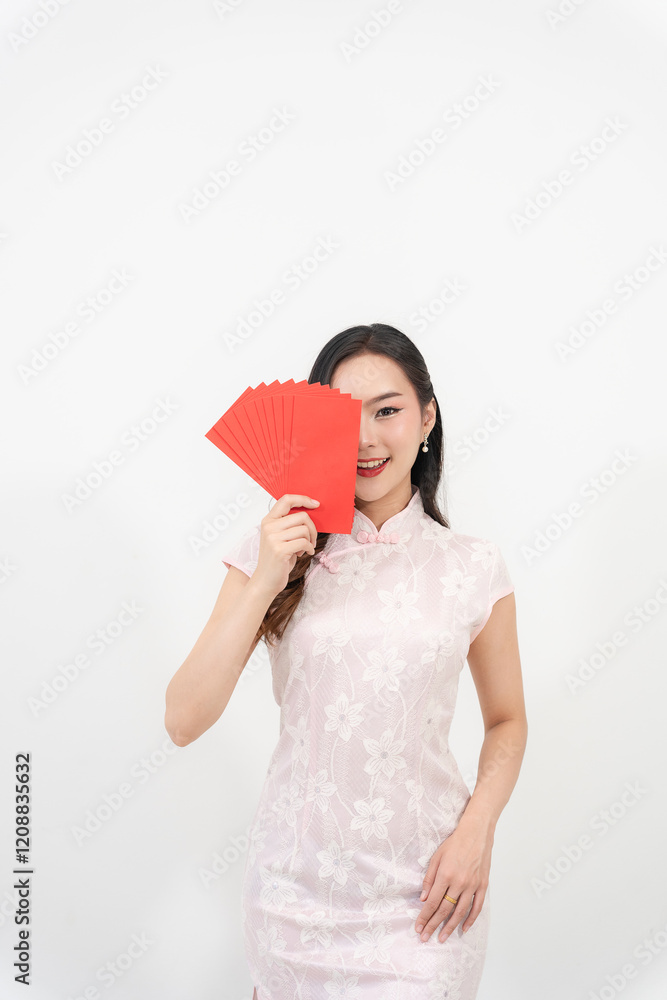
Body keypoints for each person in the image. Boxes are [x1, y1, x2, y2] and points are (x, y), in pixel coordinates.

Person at [165, 323, 527, 999]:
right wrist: (269, 573)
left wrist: (477, 831)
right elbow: (183, 718)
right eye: (342, 416)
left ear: (426, 416)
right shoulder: (272, 549)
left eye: (386, 410)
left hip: (427, 896)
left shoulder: (472, 566)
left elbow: (506, 720)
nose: (363, 439)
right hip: (292, 900)